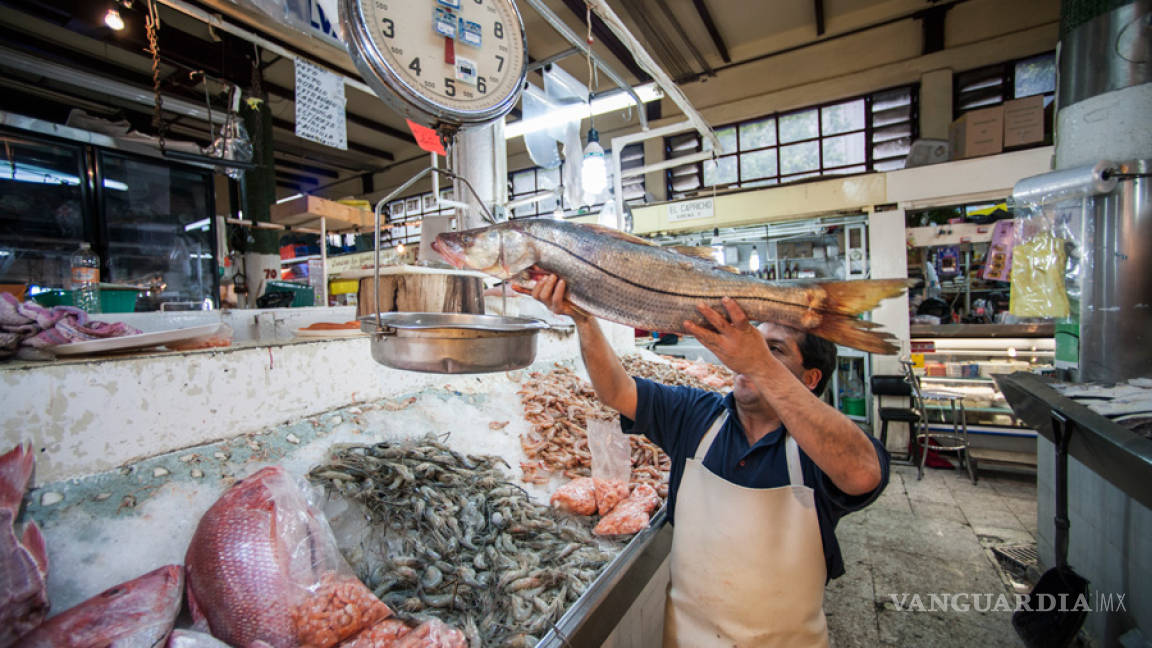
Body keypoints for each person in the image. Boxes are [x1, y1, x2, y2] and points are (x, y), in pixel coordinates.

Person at [530, 275, 890, 648]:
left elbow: (863, 473)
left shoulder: (817, 447)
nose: (749, 356)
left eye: (775, 351)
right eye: (754, 344)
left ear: (811, 377)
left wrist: (759, 364)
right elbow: (617, 391)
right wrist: (584, 319)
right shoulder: (698, 415)